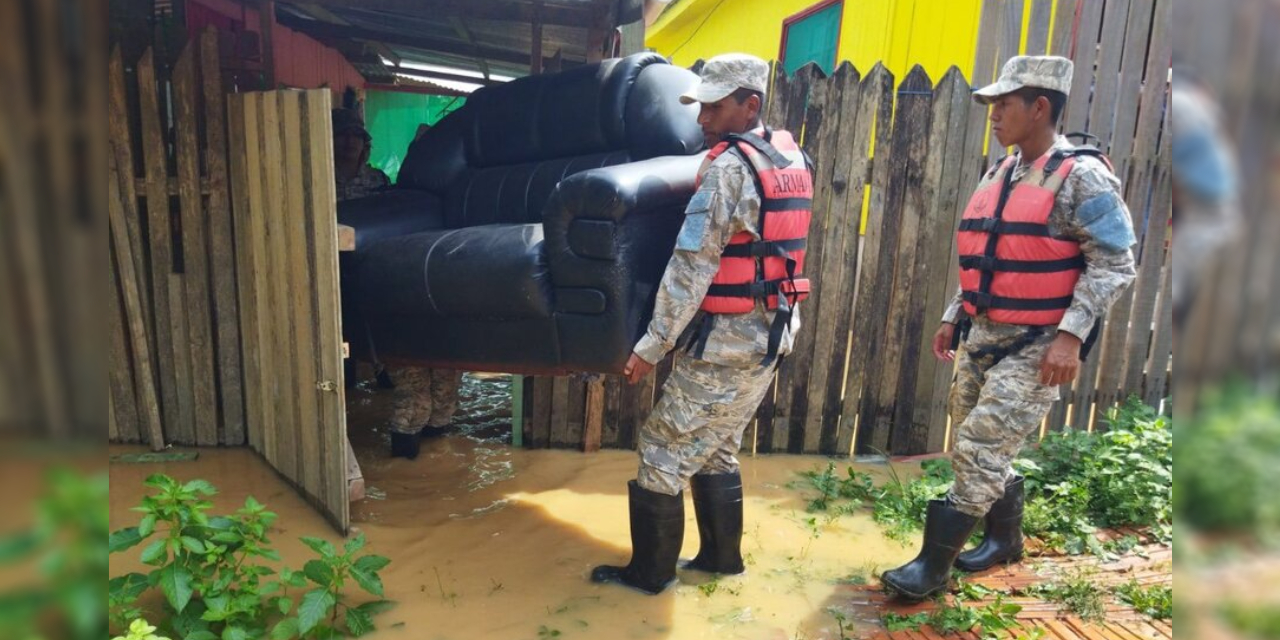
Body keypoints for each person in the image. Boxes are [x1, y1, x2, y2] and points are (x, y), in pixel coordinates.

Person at [879, 55, 1138, 601]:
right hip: (983, 336)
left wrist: (1070, 337)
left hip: (1038, 343)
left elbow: (1116, 262)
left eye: (1003, 105)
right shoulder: (1004, 170)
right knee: (977, 438)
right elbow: (992, 253)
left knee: (978, 448)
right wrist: (955, 315)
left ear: (1040, 107)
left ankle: (931, 569)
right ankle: (1005, 540)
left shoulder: (1083, 176)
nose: (993, 115)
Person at [591, 53, 812, 595]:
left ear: (750, 104)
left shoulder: (730, 170)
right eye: (700, 106)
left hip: (730, 340)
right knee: (715, 446)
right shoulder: (790, 157)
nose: (701, 120)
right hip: (771, 330)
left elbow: (691, 266)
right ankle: (719, 561)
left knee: (662, 447)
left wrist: (652, 345)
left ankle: (649, 578)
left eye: (714, 107)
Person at [330, 108, 463, 460]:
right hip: (340, 276)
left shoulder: (380, 185)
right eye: (341, 136)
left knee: (434, 388)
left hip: (388, 278)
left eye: (354, 137)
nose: (348, 144)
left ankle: (426, 465)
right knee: (408, 385)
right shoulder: (318, 179)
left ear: (364, 146)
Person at [1169, 71, 1240, 329]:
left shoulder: (1184, 104)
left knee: (1182, 276)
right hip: (1210, 203)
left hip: (1205, 205)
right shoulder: (1198, 107)